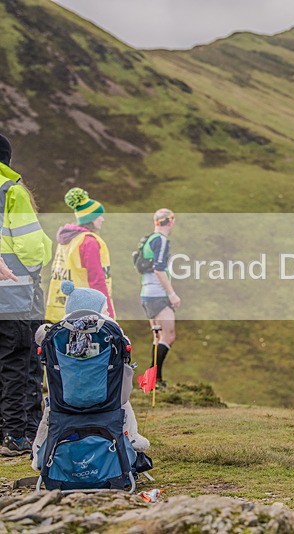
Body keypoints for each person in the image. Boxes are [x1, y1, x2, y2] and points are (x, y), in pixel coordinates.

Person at [31, 281, 150, 470]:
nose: (108, 314)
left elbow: (40, 337)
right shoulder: (109, 332)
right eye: (105, 310)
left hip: (63, 401)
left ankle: (39, 454)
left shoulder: (58, 335)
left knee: (49, 412)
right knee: (124, 404)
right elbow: (125, 346)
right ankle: (133, 438)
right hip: (107, 400)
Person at [0, 133, 52, 456]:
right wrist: (40, 259)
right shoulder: (12, 192)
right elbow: (31, 248)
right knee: (21, 361)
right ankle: (18, 435)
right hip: (16, 292)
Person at [45, 187, 114, 322]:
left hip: (61, 308)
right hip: (87, 309)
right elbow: (97, 280)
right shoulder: (89, 242)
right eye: (98, 215)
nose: (102, 219)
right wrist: (108, 314)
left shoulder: (66, 240)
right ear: (90, 218)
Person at [140, 208, 180, 387]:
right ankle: (152, 378)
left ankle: (154, 380)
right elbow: (158, 269)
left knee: (157, 336)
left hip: (146, 294)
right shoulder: (162, 241)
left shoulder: (148, 239)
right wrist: (171, 294)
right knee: (168, 335)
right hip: (159, 295)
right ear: (170, 222)